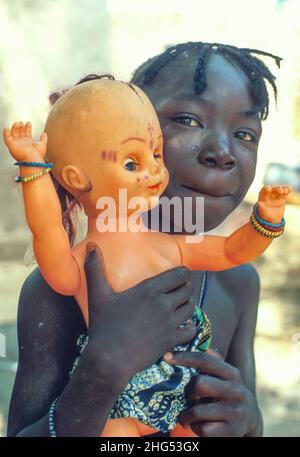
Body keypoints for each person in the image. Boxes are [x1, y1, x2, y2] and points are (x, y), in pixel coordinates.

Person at [7, 42, 282, 437]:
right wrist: (103, 367)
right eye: (188, 120)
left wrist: (249, 422)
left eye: (244, 133)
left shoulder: (239, 283)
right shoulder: (58, 289)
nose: (222, 153)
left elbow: (240, 412)